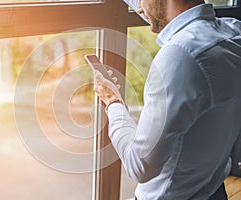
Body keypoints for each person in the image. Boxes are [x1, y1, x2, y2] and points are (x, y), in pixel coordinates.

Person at [93, 0, 241, 199]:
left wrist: (113, 102)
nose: (138, 9)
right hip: (214, 191)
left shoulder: (179, 57)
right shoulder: (233, 32)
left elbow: (140, 166)